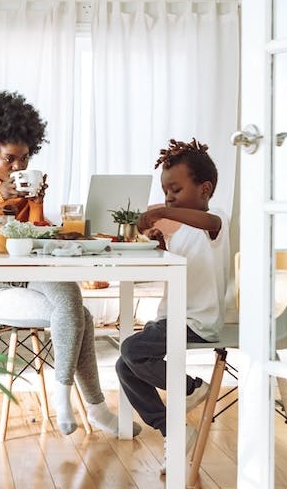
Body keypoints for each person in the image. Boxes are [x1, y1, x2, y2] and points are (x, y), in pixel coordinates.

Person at [0, 86, 135, 437]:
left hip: (30, 276)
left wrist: (39, 204)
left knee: (71, 300)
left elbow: (31, 239)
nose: (18, 166)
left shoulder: (25, 187)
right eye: (9, 159)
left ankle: (77, 403)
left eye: (24, 159)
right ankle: (90, 407)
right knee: (80, 314)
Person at [114, 138, 235, 473]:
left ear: (205, 189)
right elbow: (175, 265)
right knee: (125, 365)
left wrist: (164, 212)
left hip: (197, 320)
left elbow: (208, 226)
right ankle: (174, 429)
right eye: (166, 192)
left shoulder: (215, 220)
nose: (168, 198)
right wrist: (160, 243)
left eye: (176, 190)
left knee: (133, 351)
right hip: (171, 317)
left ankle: (191, 388)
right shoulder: (182, 231)